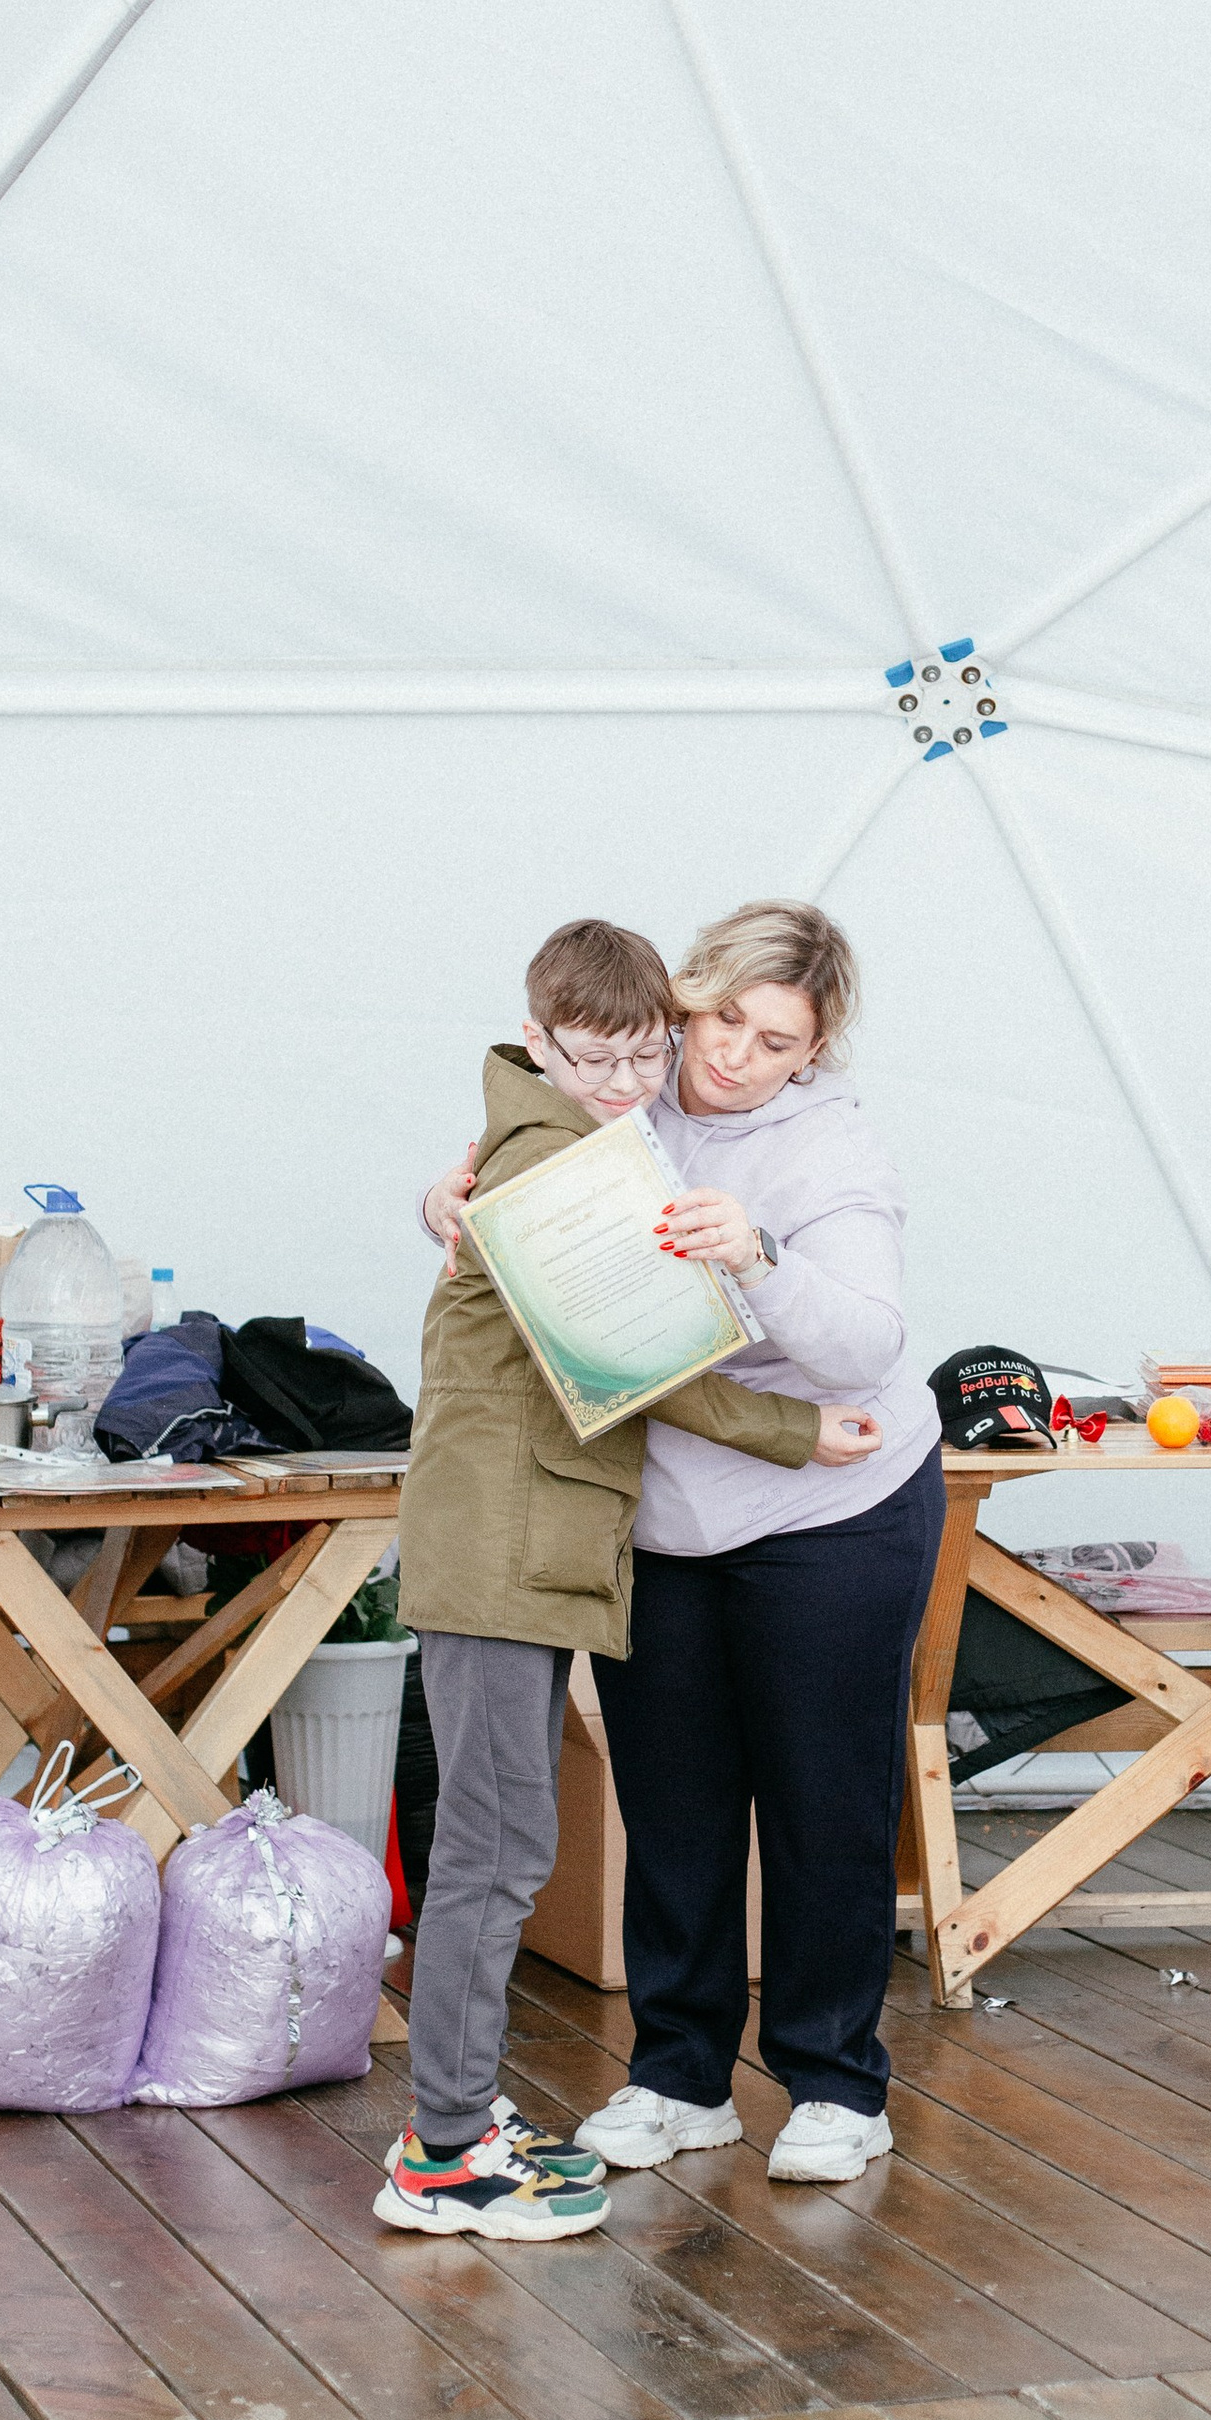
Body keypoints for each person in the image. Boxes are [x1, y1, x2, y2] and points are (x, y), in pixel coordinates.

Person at [377, 917, 880, 2242]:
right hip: (502, 1549)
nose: (626, 1081)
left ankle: (462, 2124)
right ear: (537, 1040)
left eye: (642, 1055)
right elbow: (636, 1358)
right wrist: (797, 1432)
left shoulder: (556, 1136)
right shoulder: (557, 1162)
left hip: (526, 1548)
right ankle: (444, 2154)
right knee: (493, 1853)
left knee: (499, 1844)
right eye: (595, 1058)